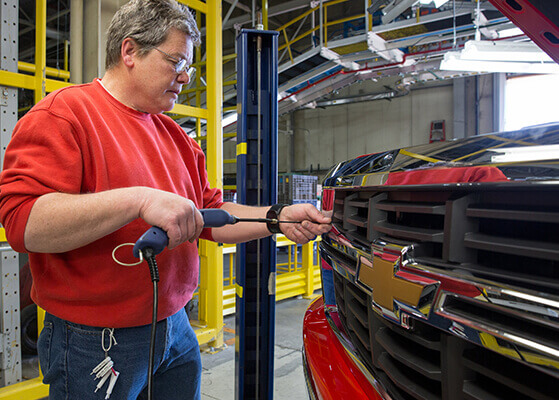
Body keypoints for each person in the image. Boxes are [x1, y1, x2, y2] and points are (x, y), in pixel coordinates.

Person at [0, 0, 331, 399]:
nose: (185, 78)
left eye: (187, 67)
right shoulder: (64, 115)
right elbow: (24, 222)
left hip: (176, 327)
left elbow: (213, 214)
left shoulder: (177, 138)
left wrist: (277, 217)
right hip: (94, 340)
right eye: (176, 62)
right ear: (129, 52)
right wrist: (137, 200)